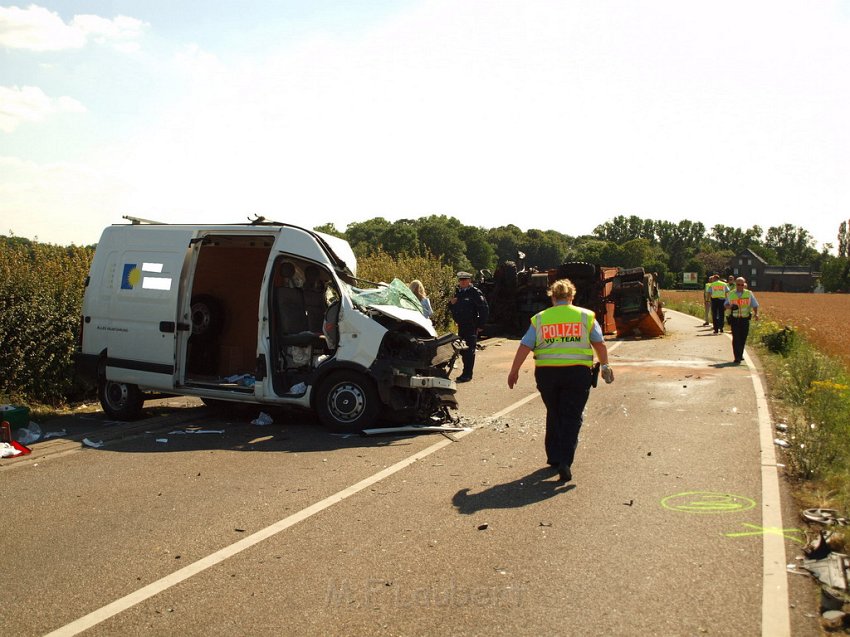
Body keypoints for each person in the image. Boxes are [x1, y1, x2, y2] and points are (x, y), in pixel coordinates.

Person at [507, 279, 613, 482]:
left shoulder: (540, 318)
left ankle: (554, 457)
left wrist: (514, 370)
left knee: (554, 412)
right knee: (572, 416)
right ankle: (565, 460)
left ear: (552, 297)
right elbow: (599, 343)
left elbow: (525, 346)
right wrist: (605, 366)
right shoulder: (586, 316)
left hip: (547, 375)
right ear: (572, 296)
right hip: (577, 374)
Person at [448, 271, 489, 382]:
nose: (462, 282)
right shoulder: (458, 292)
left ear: (469, 281)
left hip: (471, 325)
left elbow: (484, 309)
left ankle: (467, 374)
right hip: (461, 325)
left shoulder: (474, 292)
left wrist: (480, 325)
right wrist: (451, 304)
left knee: (469, 351)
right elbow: (451, 308)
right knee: (462, 350)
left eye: (465, 280)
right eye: (461, 280)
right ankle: (465, 372)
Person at [724, 277, 760, 364]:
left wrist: (756, 314)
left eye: (742, 284)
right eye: (738, 284)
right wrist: (730, 307)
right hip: (735, 319)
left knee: (743, 338)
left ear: (744, 285)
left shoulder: (749, 293)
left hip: (745, 319)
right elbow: (725, 305)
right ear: (736, 285)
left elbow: (755, 305)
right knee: (736, 338)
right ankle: (737, 357)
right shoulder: (731, 294)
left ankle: (740, 354)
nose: (740, 286)